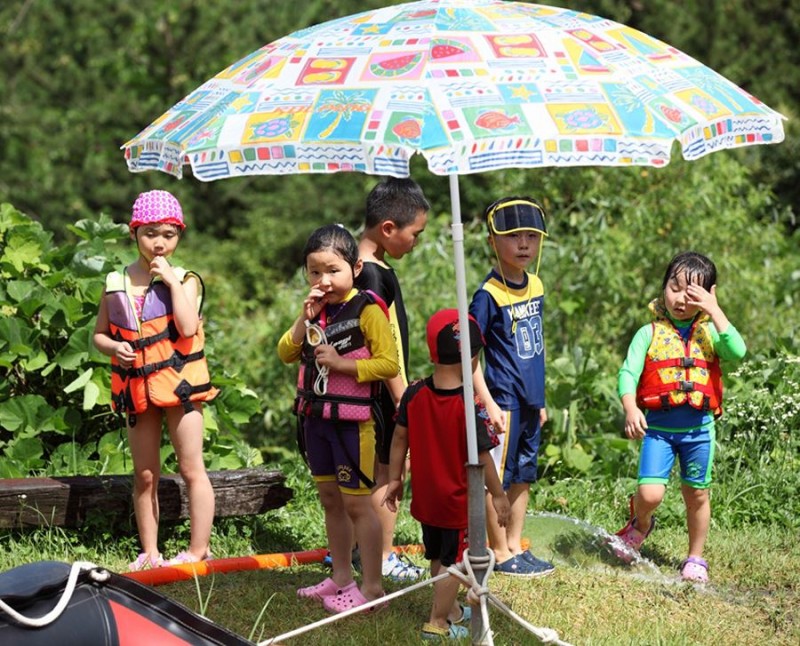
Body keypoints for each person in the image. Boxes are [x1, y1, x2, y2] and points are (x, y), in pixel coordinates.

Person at [93, 190, 218, 570]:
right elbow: (99, 336)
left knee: (191, 468)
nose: (159, 243)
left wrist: (171, 283)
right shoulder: (116, 281)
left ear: (179, 235)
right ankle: (149, 552)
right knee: (145, 475)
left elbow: (187, 326)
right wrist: (115, 347)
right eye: (150, 233)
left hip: (180, 388)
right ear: (134, 233)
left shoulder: (186, 280)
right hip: (138, 388)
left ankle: (199, 550)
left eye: (168, 234)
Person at [277, 224, 398, 613]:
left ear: (356, 268)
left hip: (353, 425)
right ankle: (341, 578)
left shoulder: (368, 310)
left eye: (333, 270)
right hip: (317, 422)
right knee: (331, 500)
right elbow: (285, 352)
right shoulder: (316, 312)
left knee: (358, 505)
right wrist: (304, 318)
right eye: (315, 272)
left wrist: (343, 364)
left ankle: (373, 587)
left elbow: (389, 364)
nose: (323, 280)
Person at [615, 251, 746, 583]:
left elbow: (737, 351)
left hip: (699, 431)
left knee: (696, 494)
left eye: (692, 294)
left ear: (707, 295)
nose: (681, 299)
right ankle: (641, 524)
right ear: (664, 287)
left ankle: (695, 558)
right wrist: (631, 407)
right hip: (658, 430)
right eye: (674, 288)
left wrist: (715, 310)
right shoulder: (648, 333)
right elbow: (628, 373)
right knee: (650, 495)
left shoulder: (711, 333)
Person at [383, 309, 510, 641]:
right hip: (456, 503)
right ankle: (437, 622)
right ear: (472, 358)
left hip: (427, 498)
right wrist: (498, 495)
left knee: (439, 556)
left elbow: (399, 438)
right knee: (454, 563)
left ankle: (451, 609)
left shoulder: (413, 394)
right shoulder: (470, 406)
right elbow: (482, 457)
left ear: (432, 353)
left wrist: (395, 479)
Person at [469, 196, 556, 577]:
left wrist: (541, 398)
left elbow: (536, 346)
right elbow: (469, 355)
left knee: (523, 474)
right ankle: (500, 551)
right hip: (502, 400)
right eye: (513, 236)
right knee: (498, 480)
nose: (523, 244)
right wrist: (486, 402)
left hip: (530, 401)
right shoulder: (487, 296)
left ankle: (515, 545)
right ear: (492, 241)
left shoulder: (535, 285)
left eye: (531, 237)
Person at [356, 176, 430, 582]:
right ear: (388, 228)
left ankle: (359, 550)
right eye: (415, 233)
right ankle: (381, 555)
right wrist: (402, 395)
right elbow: (378, 341)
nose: (416, 242)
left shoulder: (368, 266)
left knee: (376, 474)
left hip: (380, 388)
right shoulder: (370, 274)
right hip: (384, 392)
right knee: (389, 474)